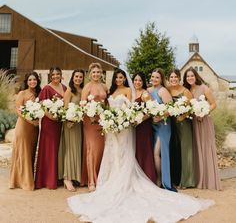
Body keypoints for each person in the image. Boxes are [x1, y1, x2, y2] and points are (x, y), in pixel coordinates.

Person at [67, 68, 214, 223]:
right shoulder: (111, 91)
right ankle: (111, 179)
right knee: (113, 154)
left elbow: (143, 108)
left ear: (126, 79)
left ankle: (160, 181)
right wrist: (110, 120)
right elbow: (108, 108)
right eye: (117, 77)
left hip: (130, 126)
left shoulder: (136, 92)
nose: (119, 79)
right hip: (113, 128)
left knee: (133, 153)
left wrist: (135, 119)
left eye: (122, 77)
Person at [183, 67, 222, 190]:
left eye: (192, 76)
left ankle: (209, 180)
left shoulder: (204, 88)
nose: (190, 78)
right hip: (193, 122)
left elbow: (214, 104)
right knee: (197, 149)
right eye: (187, 76)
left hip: (204, 121)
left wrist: (203, 113)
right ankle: (199, 179)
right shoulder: (187, 90)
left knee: (205, 148)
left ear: (196, 76)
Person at [35, 66, 67, 189]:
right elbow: (42, 106)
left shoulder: (64, 88)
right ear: (50, 76)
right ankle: (46, 180)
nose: (55, 77)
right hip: (49, 123)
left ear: (61, 75)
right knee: (49, 149)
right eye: (53, 75)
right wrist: (51, 117)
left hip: (60, 123)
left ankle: (57, 178)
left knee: (58, 148)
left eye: (57, 74)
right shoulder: (46, 89)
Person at [9, 71, 41, 190]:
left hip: (34, 129)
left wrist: (36, 121)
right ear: (26, 82)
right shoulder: (22, 93)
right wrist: (30, 121)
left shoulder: (39, 94)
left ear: (37, 81)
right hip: (23, 126)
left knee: (30, 152)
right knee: (22, 152)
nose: (32, 82)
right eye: (30, 80)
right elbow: (18, 110)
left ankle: (28, 178)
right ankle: (22, 182)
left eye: (34, 80)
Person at [80, 62, 108, 192]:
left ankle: (100, 177)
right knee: (92, 149)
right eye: (94, 72)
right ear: (90, 74)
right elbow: (82, 103)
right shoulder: (87, 86)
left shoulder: (104, 86)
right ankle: (91, 180)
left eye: (98, 72)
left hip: (101, 121)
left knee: (101, 149)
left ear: (101, 73)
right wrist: (90, 114)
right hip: (90, 121)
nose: (96, 74)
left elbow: (107, 103)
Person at [148, 68, 175, 191]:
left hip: (163, 126)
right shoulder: (148, 90)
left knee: (157, 153)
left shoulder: (163, 91)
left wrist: (160, 117)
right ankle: (156, 178)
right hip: (152, 126)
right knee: (153, 153)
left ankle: (161, 180)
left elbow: (171, 109)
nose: (154, 79)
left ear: (161, 79)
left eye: (157, 77)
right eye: (153, 77)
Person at [168, 69, 195, 189]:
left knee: (185, 151)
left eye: (175, 77)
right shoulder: (168, 90)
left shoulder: (185, 91)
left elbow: (192, 108)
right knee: (175, 151)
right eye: (171, 77)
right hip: (171, 124)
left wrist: (182, 116)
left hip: (184, 124)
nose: (173, 79)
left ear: (179, 78)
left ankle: (187, 181)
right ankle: (176, 179)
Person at [58, 69, 84, 191]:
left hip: (79, 124)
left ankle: (74, 176)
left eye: (80, 77)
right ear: (72, 77)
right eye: (76, 76)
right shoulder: (69, 91)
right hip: (69, 124)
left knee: (76, 149)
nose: (78, 78)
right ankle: (67, 178)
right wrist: (69, 121)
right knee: (69, 149)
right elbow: (65, 108)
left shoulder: (82, 91)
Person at [132, 71, 157, 183]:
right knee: (135, 150)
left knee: (144, 150)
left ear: (143, 82)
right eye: (136, 80)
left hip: (144, 126)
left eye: (140, 80)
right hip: (133, 127)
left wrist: (139, 120)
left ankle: (147, 177)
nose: (137, 82)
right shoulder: (131, 92)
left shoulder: (145, 94)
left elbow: (152, 111)